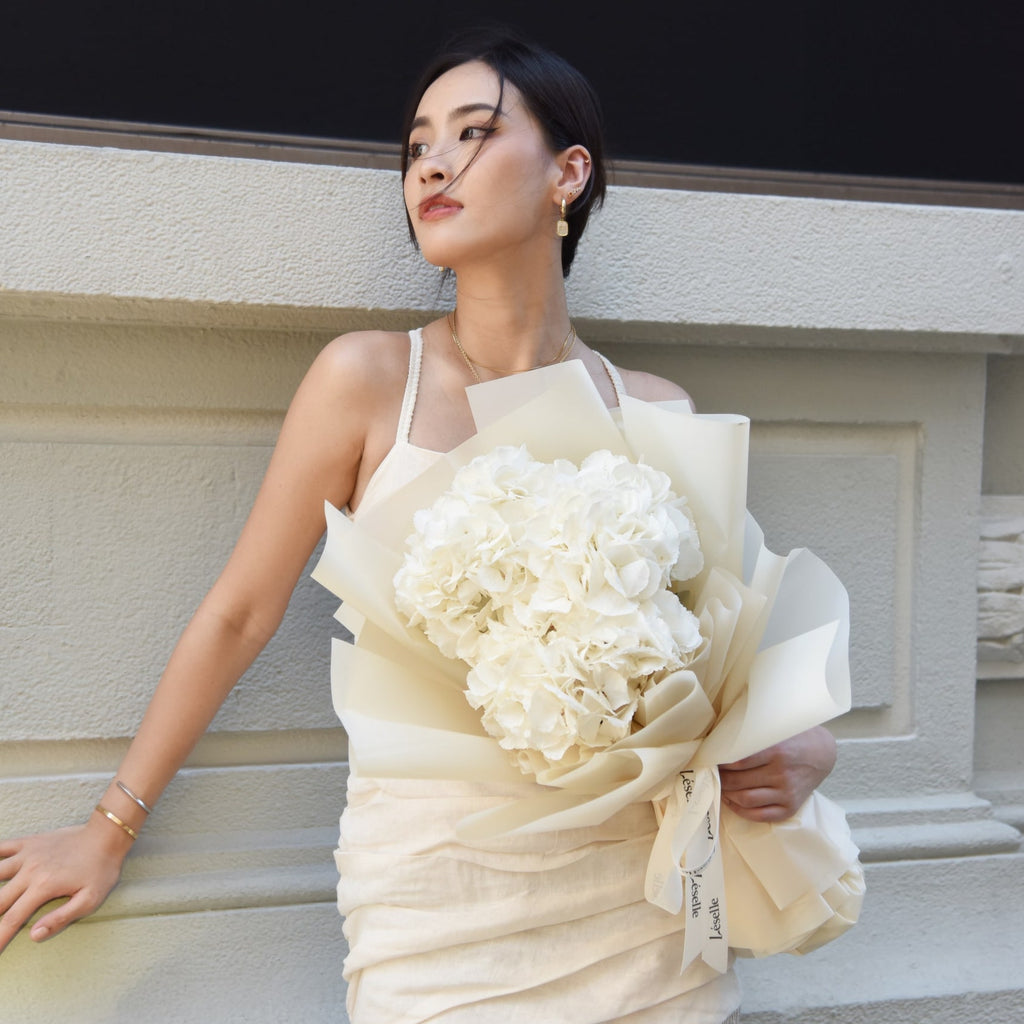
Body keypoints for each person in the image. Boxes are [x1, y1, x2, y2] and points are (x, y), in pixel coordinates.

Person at [0, 26, 838, 1023]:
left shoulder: (657, 409)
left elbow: (743, 656)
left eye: (474, 133)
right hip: (436, 908)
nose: (434, 162)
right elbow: (239, 614)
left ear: (567, 172)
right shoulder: (366, 380)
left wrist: (807, 751)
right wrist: (108, 826)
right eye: (416, 146)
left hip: (637, 912)